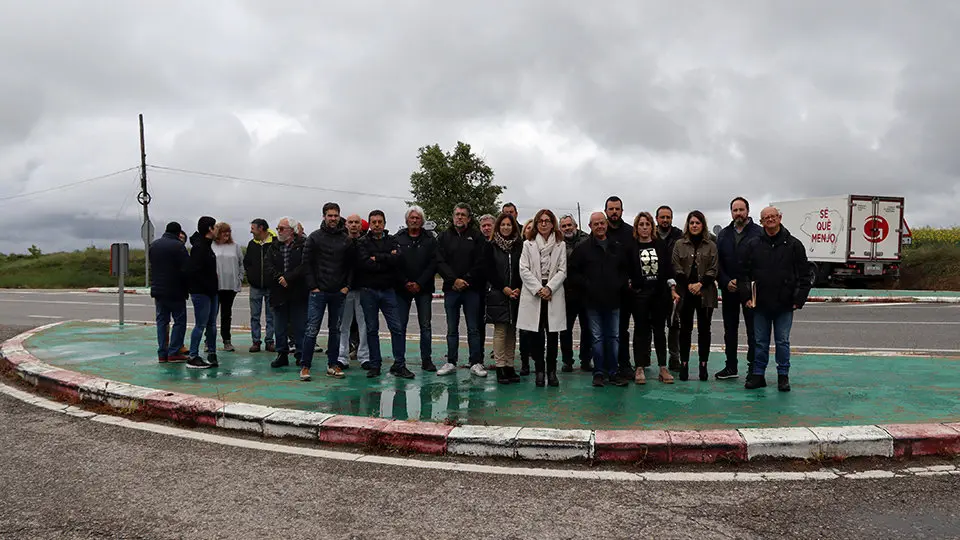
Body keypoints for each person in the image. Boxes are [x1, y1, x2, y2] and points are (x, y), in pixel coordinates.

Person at [741, 206, 813, 392]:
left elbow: (805, 275)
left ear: (780, 218)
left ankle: (783, 376)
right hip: (760, 304)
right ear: (761, 221)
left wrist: (799, 299)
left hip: (785, 303)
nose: (770, 220)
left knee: (782, 341)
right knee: (760, 341)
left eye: (773, 216)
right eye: (766, 217)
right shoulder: (753, 244)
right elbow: (744, 274)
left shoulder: (794, 245)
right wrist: (747, 296)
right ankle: (758, 375)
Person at [568, 212, 631, 387]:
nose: (600, 226)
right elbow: (573, 272)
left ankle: (613, 372)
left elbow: (625, 270)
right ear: (590, 226)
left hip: (614, 300)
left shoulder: (617, 247)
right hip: (592, 302)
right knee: (596, 338)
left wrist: (618, 285)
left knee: (614, 337)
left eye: (602, 223)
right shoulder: (582, 249)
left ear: (606, 224)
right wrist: (588, 285)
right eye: (596, 224)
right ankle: (598, 372)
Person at [300, 202, 356, 382]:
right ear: (324, 216)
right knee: (311, 329)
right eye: (330, 215)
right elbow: (306, 263)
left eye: (336, 215)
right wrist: (313, 286)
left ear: (339, 216)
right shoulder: (314, 237)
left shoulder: (346, 239)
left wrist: (346, 286)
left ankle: (333, 365)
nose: (333, 218)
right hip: (318, 292)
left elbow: (351, 266)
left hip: (338, 293)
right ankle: (305, 366)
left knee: (336, 330)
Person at [356, 210, 414, 379]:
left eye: (379, 221)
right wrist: (387, 258)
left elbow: (398, 260)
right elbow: (365, 264)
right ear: (369, 223)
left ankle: (399, 365)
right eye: (373, 222)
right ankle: (375, 364)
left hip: (388, 290)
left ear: (384, 223)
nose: (376, 224)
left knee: (396, 328)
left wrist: (377, 258)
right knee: (371, 329)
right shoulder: (362, 242)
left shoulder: (392, 240)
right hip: (368, 291)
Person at [715, 197, 764, 380]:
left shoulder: (759, 233)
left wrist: (747, 282)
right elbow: (717, 262)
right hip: (729, 289)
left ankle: (753, 368)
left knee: (753, 330)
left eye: (741, 210)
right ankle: (731, 366)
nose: (738, 213)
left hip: (751, 289)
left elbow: (761, 262)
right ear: (731, 212)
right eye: (735, 210)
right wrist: (726, 281)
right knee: (730, 330)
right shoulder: (724, 235)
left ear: (748, 211)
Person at [518, 209, 567, 388]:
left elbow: (562, 270)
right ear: (537, 224)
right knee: (536, 335)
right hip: (534, 293)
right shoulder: (528, 244)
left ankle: (551, 372)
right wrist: (539, 289)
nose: (544, 224)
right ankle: (539, 371)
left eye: (547, 220)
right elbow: (523, 269)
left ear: (553, 223)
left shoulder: (560, 244)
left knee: (553, 335)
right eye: (540, 221)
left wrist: (549, 288)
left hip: (553, 292)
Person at [435, 203, 486, 377]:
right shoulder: (443, 237)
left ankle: (476, 362)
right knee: (452, 328)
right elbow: (439, 261)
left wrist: (466, 280)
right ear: (453, 216)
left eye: (463, 215)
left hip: (472, 290)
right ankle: (451, 361)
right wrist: (453, 280)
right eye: (457, 214)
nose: (459, 217)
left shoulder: (477, 237)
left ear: (469, 218)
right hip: (451, 290)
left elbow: (481, 262)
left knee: (474, 328)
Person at [627, 212, 675, 384]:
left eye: (647, 224)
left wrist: (672, 288)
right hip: (640, 296)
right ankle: (639, 367)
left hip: (659, 294)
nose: (644, 228)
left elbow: (668, 269)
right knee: (640, 331)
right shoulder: (631, 247)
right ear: (636, 228)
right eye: (641, 225)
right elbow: (627, 269)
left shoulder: (660, 245)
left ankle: (663, 367)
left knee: (660, 331)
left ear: (652, 227)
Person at [671, 210, 719, 382]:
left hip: (706, 293)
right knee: (685, 330)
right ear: (688, 225)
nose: (694, 225)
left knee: (705, 331)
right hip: (686, 292)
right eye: (692, 223)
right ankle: (684, 365)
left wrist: (701, 284)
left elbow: (714, 268)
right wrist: (689, 285)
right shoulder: (679, 244)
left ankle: (703, 366)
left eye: (698, 223)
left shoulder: (711, 245)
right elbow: (676, 266)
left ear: (703, 225)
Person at [395, 206, 438, 372]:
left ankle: (426, 360)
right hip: (401, 289)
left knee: (425, 326)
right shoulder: (397, 238)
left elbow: (433, 264)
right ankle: (399, 361)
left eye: (417, 218)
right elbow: (394, 264)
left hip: (424, 289)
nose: (414, 220)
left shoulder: (430, 239)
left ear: (422, 221)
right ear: (406, 220)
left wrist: (419, 282)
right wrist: (405, 282)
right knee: (400, 327)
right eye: (411, 218)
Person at [483, 213, 523, 384]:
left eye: (509, 225)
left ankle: (509, 365)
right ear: (498, 227)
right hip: (498, 293)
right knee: (500, 331)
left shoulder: (519, 247)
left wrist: (518, 288)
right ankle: (500, 367)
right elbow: (489, 271)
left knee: (512, 331)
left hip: (516, 293)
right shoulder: (491, 246)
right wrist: (505, 289)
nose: (506, 227)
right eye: (503, 224)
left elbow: (522, 269)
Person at [265, 217, 308, 368]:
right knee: (279, 326)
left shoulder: (302, 245)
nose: (278, 231)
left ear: (292, 230)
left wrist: (288, 278)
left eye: (281, 228)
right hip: (278, 292)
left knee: (299, 326)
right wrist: (279, 278)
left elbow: (305, 265)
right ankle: (281, 354)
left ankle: (301, 355)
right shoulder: (273, 247)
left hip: (298, 291)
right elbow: (268, 265)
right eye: (278, 228)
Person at [149, 221, 190, 364]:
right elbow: (186, 268)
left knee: (162, 321)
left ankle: (162, 353)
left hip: (158, 290)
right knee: (179, 321)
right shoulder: (178, 246)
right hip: (175, 290)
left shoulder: (154, 245)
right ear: (178, 233)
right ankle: (174, 351)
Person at [605, 196, 635, 378]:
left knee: (622, 330)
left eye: (617, 209)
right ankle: (608, 365)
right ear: (606, 211)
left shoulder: (631, 233)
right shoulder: (600, 231)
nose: (614, 212)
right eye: (611, 209)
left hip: (625, 291)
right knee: (605, 331)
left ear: (622, 211)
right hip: (604, 291)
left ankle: (625, 364)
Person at [558, 214, 592, 372]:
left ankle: (586, 360)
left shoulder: (587, 240)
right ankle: (567, 360)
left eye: (569, 225)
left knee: (587, 328)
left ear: (576, 225)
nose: (567, 228)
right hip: (565, 292)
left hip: (585, 291)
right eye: (564, 226)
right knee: (565, 329)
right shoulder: (557, 242)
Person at [337, 214, 370, 370]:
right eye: (351, 222)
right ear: (346, 225)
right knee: (344, 324)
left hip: (363, 287)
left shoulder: (366, 243)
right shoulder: (341, 242)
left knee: (364, 324)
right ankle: (342, 356)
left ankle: (364, 356)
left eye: (357, 222)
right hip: (345, 289)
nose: (354, 225)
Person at [187, 216, 219, 369]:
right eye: (215, 227)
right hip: (202, 293)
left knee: (212, 324)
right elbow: (195, 271)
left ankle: (212, 353)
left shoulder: (207, 246)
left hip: (211, 291)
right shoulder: (199, 248)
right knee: (200, 324)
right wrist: (207, 287)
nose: (217, 230)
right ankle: (193, 356)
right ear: (209, 229)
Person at [656, 205, 684, 371]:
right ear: (657, 219)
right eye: (662, 217)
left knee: (674, 324)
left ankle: (675, 358)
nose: (665, 220)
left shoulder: (679, 235)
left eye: (668, 217)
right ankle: (645, 360)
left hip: (676, 286)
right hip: (655, 286)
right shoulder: (650, 235)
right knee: (654, 325)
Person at [244, 218, 275, 354]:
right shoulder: (252, 244)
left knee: (271, 316)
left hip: (271, 286)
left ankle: (270, 341)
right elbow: (247, 262)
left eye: (253, 228)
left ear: (261, 228)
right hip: (255, 286)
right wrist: (251, 276)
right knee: (254, 316)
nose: (251, 231)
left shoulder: (275, 243)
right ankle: (256, 341)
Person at [211, 222, 243, 352]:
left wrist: (239, 278)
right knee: (212, 315)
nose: (227, 234)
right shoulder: (212, 246)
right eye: (224, 231)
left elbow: (241, 264)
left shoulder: (235, 247)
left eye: (229, 231)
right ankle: (209, 341)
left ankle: (227, 340)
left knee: (226, 314)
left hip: (230, 286)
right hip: (215, 286)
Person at [516, 218, 535, 376]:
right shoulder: (518, 247)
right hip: (521, 292)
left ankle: (537, 357)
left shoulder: (540, 247)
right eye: (527, 228)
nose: (529, 230)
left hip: (537, 292)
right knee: (524, 331)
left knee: (539, 330)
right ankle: (524, 362)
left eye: (532, 228)